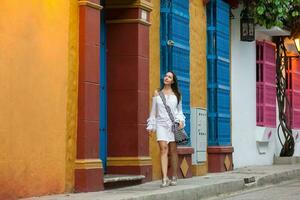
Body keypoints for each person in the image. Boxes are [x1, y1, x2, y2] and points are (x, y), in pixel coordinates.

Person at [146, 71, 186, 187]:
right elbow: (153, 112)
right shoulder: (157, 93)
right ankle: (164, 178)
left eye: (169, 77)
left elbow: (179, 111)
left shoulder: (177, 94)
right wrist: (151, 126)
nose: (166, 78)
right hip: (161, 124)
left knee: (173, 151)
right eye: (166, 76)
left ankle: (174, 175)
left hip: (173, 125)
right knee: (163, 149)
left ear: (173, 81)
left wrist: (180, 121)